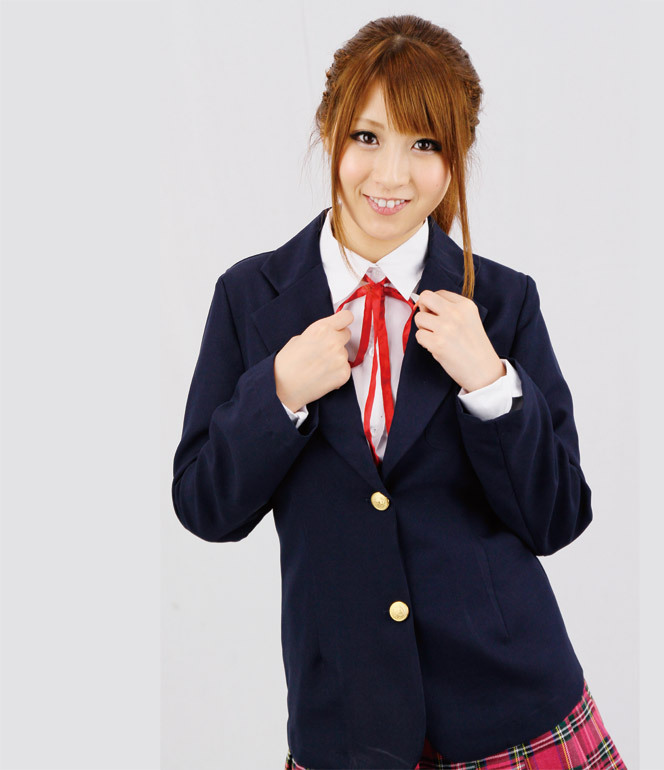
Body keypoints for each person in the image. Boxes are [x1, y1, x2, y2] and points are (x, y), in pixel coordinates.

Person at [172, 14, 628, 770]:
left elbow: (558, 518)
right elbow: (204, 507)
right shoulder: (250, 298)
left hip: (512, 712)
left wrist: (491, 384)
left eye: (425, 145)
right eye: (367, 136)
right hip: (345, 724)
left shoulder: (501, 301)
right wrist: (278, 392)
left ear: (457, 157)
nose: (390, 176)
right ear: (328, 130)